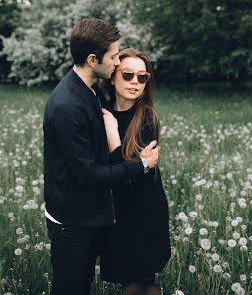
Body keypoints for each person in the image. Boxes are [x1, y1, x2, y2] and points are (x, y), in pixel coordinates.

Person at [43, 18, 160, 295]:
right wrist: (141, 163)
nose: (118, 62)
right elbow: (87, 175)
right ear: (93, 59)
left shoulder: (90, 91)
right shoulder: (68, 105)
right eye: (114, 56)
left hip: (90, 215)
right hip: (71, 221)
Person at [100, 48, 171, 295]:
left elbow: (126, 174)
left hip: (144, 213)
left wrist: (111, 133)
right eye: (128, 74)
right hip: (117, 213)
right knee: (132, 281)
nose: (135, 82)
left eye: (142, 77)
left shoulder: (147, 118)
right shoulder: (100, 110)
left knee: (138, 282)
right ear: (112, 76)